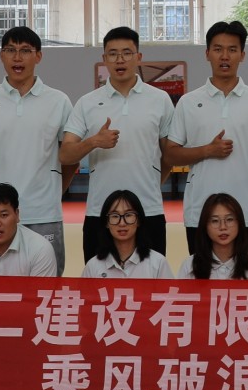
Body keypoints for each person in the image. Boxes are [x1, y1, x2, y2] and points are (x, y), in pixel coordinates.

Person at [0, 25, 75, 271]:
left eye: (25, 50)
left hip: (43, 213)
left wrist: (55, 191)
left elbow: (69, 157)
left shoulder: (59, 101)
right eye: (10, 50)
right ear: (1, 55)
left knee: (46, 287)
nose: (17, 57)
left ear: (38, 56)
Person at [162, 21, 248, 256]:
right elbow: (170, 154)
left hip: (245, 208)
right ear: (207, 54)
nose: (225, 56)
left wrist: (245, 169)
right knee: (201, 274)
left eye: (232, 49)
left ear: (242, 55)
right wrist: (207, 151)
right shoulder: (188, 102)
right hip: (199, 210)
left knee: (243, 274)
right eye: (218, 49)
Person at [63, 26, 172, 263]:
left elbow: (169, 155)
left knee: (151, 280)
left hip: (148, 210)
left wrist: (151, 183)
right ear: (104, 59)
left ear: (139, 57)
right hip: (100, 212)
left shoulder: (160, 100)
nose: (119, 59)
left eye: (126, 53)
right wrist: (94, 141)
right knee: (98, 281)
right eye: (112, 54)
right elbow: (65, 154)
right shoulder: (87, 102)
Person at [80, 190, 171, 279]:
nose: (122, 223)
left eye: (128, 215)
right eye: (115, 216)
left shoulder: (158, 263)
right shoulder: (93, 266)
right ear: (106, 223)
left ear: (139, 220)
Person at [178, 194, 248, 280]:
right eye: (215, 221)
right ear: (205, 225)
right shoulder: (189, 266)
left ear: (240, 223)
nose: (223, 227)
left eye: (229, 219)